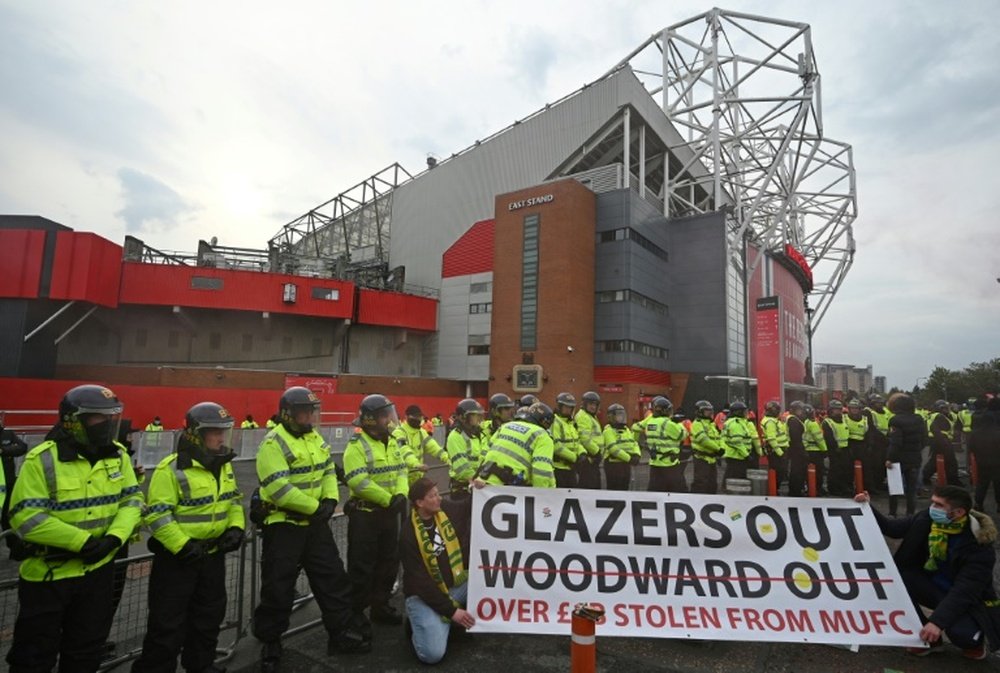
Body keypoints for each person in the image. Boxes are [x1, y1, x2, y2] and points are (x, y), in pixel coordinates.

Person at [6, 384, 143, 673]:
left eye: (111, 417)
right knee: (33, 656)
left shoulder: (117, 455)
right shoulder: (42, 459)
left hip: (98, 574)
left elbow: (132, 500)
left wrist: (114, 538)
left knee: (86, 652)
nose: (107, 425)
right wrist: (81, 542)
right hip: (49, 576)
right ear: (73, 421)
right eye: (98, 418)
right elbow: (26, 516)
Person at [254, 387, 366, 671]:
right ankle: (271, 642)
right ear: (288, 414)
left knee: (332, 580)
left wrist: (330, 499)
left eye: (311, 412)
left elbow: (329, 470)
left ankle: (339, 634)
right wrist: (316, 508)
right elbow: (279, 489)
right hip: (284, 527)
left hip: (314, 526)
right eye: (304, 412)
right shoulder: (272, 444)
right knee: (278, 588)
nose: (309, 417)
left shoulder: (314, 438)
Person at [132, 402, 244, 673]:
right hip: (178, 562)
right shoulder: (170, 469)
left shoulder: (222, 466)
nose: (221, 438)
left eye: (223, 432)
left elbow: (234, 501)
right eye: (214, 432)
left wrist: (236, 528)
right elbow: (158, 516)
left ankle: (201, 665)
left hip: (212, 557)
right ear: (196, 434)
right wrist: (183, 546)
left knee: (208, 618)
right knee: (167, 625)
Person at [855, 485, 1000, 659]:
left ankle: (975, 641)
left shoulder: (979, 546)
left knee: (962, 635)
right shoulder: (927, 519)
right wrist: (867, 506)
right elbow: (892, 528)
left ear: (959, 512)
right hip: (934, 587)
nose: (932, 508)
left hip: (967, 600)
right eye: (932, 502)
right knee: (896, 580)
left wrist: (937, 622)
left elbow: (965, 591)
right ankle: (930, 641)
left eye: (939, 505)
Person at [343, 394, 408, 631]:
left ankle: (380, 606)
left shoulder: (392, 442)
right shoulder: (356, 446)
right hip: (366, 515)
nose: (389, 420)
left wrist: (400, 494)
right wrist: (389, 499)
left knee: (388, 563)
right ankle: (357, 613)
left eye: (389, 414)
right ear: (371, 420)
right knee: (362, 567)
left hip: (389, 513)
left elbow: (401, 470)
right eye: (384, 416)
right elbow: (358, 481)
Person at [399, 478, 474, 664]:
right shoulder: (408, 534)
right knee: (432, 655)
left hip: (452, 586)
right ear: (419, 503)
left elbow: (466, 507)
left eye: (438, 493)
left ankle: (445, 623)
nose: (439, 498)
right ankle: (421, 624)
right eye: (433, 496)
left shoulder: (442, 510)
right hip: (424, 595)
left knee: (484, 577)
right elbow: (421, 583)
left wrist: (479, 489)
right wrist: (452, 612)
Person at [477, 403, 555, 488]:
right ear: (545, 422)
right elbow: (541, 471)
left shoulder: (505, 426)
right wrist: (542, 495)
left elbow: (484, 454)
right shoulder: (542, 436)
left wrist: (477, 477)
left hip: (483, 483)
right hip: (510, 488)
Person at [886, 393, 927, 516]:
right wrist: (916, 449)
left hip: (898, 460)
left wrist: (889, 458)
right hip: (915, 458)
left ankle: (892, 513)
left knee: (894, 489)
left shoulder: (895, 420)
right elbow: (925, 439)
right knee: (911, 489)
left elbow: (895, 443)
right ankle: (910, 514)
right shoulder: (919, 419)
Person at [393, 405, 449, 485]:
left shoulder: (421, 432)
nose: (418, 419)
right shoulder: (399, 432)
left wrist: (447, 458)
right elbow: (404, 451)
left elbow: (434, 447)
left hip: (418, 477)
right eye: (415, 417)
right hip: (402, 479)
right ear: (406, 417)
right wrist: (417, 464)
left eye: (419, 417)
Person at [445, 399, 487, 499]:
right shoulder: (455, 436)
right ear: (463, 417)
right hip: (462, 489)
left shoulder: (479, 434)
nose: (479, 418)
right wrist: (478, 479)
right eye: (475, 415)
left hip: (477, 485)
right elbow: (462, 468)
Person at [645, 397, 688, 493]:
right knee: (677, 492)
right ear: (664, 410)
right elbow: (683, 435)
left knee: (655, 493)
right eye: (669, 410)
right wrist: (678, 423)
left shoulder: (650, 422)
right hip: (669, 464)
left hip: (655, 463)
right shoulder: (667, 423)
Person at [970, 397, 1000, 512]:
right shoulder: (997, 433)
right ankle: (999, 504)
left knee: (982, 483)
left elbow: (971, 448)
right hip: (997, 461)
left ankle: (978, 503)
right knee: (998, 483)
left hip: (981, 461)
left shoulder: (975, 434)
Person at [602, 403, 639, 491]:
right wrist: (629, 458)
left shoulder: (626, 430)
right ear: (611, 417)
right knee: (614, 490)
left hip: (625, 465)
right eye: (619, 415)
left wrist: (637, 454)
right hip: (613, 465)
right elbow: (613, 449)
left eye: (622, 415)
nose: (621, 417)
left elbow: (634, 443)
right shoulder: (608, 431)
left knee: (625, 488)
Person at [923, 400, 961, 487]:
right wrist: (944, 440)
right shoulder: (939, 417)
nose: (946, 410)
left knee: (934, 462)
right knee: (951, 462)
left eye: (946, 408)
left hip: (937, 441)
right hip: (942, 441)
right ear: (939, 409)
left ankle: (924, 477)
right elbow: (934, 428)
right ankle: (953, 481)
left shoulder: (936, 415)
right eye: (943, 408)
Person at [690, 400, 724, 494]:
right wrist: (718, 449)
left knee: (712, 484)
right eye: (706, 411)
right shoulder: (697, 424)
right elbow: (704, 440)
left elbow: (719, 437)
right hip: (701, 458)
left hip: (712, 459)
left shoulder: (711, 424)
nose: (710, 413)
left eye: (710, 410)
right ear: (699, 412)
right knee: (700, 483)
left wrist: (721, 447)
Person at [720, 401, 759, 483]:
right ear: (739, 412)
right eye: (744, 411)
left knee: (730, 475)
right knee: (736, 479)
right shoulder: (736, 423)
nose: (746, 413)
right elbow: (737, 442)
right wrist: (746, 455)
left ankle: (726, 490)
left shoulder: (737, 421)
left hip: (735, 455)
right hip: (736, 456)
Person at [551, 393, 582, 488]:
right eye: (566, 407)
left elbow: (577, 442)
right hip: (559, 468)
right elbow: (556, 446)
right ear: (559, 406)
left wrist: (582, 453)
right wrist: (574, 458)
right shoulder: (555, 422)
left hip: (571, 468)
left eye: (570, 407)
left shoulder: (571, 423)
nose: (569, 410)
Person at [574, 391, 604, 489]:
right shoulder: (583, 417)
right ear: (584, 404)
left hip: (593, 459)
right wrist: (597, 452)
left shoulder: (591, 417)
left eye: (595, 405)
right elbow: (584, 439)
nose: (593, 407)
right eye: (591, 404)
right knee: (589, 487)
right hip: (589, 459)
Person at [823, 400, 852, 496]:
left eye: (839, 410)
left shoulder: (844, 420)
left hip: (845, 448)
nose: (838, 412)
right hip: (834, 449)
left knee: (846, 469)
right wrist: (835, 447)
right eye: (835, 410)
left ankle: (844, 487)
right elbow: (828, 437)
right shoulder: (827, 422)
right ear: (830, 410)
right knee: (835, 470)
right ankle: (833, 488)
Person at [760, 401, 789, 485]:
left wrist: (783, 422)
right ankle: (774, 490)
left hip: (779, 449)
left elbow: (782, 432)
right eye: (777, 410)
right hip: (776, 450)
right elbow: (772, 439)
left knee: (779, 472)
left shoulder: (774, 420)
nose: (779, 412)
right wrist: (780, 453)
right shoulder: (770, 422)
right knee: (777, 471)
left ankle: (775, 488)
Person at [802, 405, 827, 495]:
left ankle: (809, 488)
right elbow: (819, 438)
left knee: (808, 472)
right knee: (819, 472)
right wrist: (824, 450)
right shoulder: (813, 423)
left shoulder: (805, 422)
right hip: (816, 450)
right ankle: (818, 489)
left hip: (807, 449)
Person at [785, 401, 808, 497]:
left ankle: (797, 489)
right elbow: (796, 437)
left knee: (798, 471)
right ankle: (795, 491)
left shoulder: (795, 419)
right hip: (796, 449)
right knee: (796, 471)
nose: (801, 412)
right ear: (793, 410)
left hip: (795, 448)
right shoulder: (793, 420)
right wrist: (802, 451)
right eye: (799, 410)